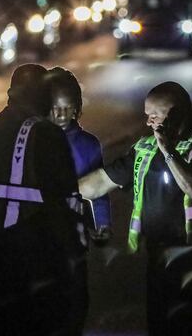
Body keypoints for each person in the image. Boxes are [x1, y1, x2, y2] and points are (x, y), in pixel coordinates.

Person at [79, 81, 192, 336]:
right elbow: (99, 183)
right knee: (161, 326)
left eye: (155, 115)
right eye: (147, 116)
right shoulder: (145, 147)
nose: (149, 123)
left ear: (176, 113)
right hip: (159, 258)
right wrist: (55, 191)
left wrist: (167, 150)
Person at [0, 63, 86, 336]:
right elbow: (64, 203)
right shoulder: (47, 134)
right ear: (41, 95)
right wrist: (74, 262)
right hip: (34, 265)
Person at [46, 67, 111, 335]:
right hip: (41, 238)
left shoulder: (89, 144)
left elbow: (100, 189)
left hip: (75, 236)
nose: (61, 115)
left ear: (77, 109)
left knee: (75, 301)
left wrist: (103, 223)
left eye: (67, 108)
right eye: (54, 108)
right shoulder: (35, 141)